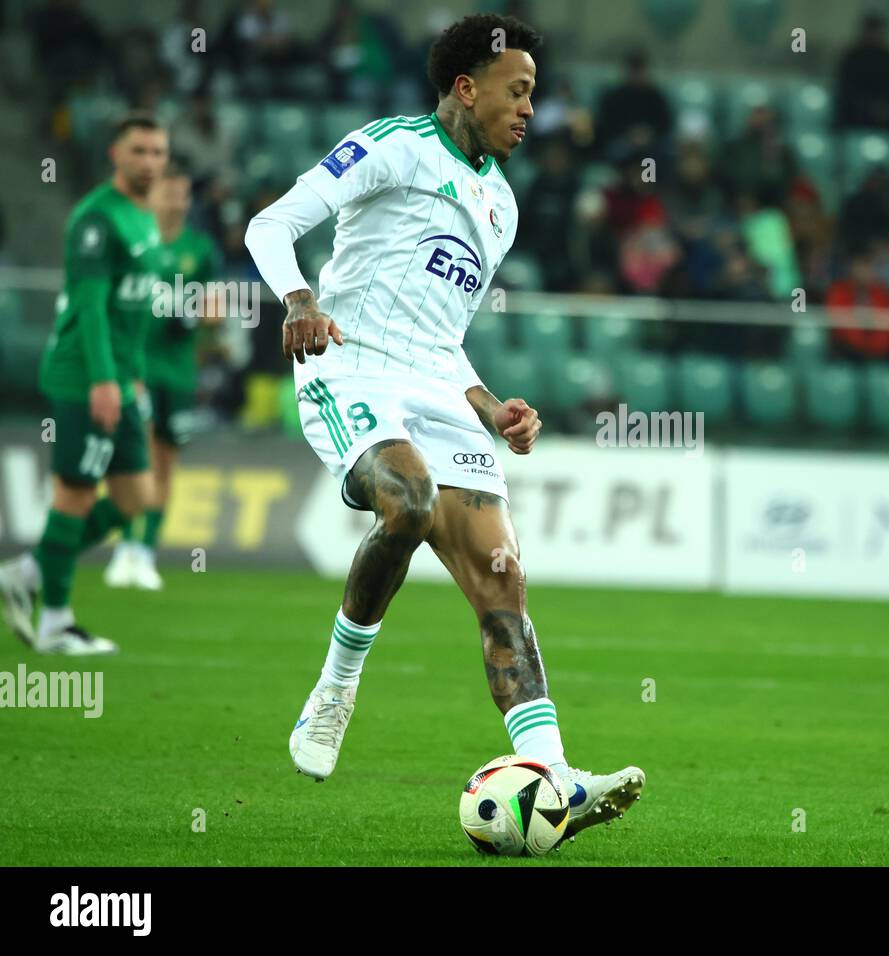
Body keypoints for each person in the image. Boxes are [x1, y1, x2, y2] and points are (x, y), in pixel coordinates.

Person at [243, 13, 643, 837]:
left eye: (535, 94)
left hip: (432, 385)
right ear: (467, 87)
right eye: (519, 91)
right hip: (347, 364)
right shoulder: (391, 145)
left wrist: (492, 408)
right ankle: (335, 688)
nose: (533, 109)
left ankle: (555, 776)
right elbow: (270, 225)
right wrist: (299, 300)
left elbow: (442, 340)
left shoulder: (500, 204)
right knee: (411, 500)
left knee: (503, 580)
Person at [0, 114, 167, 653]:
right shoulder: (95, 219)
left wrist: (132, 376)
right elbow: (93, 308)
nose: (149, 162)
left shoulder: (144, 218)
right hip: (82, 375)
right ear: (115, 155)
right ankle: (54, 621)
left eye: (158, 152)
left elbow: (132, 312)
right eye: (139, 151)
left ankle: (26, 571)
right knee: (74, 492)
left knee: (135, 497)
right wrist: (102, 382)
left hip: (121, 376)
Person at [105, 162, 222, 589]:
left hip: (177, 373)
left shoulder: (200, 249)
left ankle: (143, 551)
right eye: (169, 193)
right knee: (137, 460)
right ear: (152, 195)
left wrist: (196, 316)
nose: (177, 201)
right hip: (135, 368)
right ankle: (123, 549)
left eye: (183, 194)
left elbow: (215, 307)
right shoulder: (132, 242)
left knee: (165, 463)